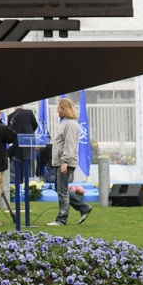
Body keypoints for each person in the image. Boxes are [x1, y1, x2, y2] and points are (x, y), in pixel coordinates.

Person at [47, 97, 93, 227]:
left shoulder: (71, 124)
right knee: (60, 188)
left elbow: (69, 144)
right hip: (61, 161)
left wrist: (65, 161)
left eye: (59, 108)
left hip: (65, 162)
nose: (57, 110)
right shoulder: (65, 123)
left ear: (64, 109)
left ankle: (62, 219)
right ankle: (83, 208)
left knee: (62, 190)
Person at [5, 105, 39, 188]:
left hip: (17, 141)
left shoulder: (10, 116)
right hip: (28, 140)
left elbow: (9, 130)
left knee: (19, 162)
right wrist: (29, 132)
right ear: (22, 107)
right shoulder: (29, 112)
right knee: (29, 162)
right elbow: (35, 125)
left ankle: (20, 183)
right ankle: (30, 183)